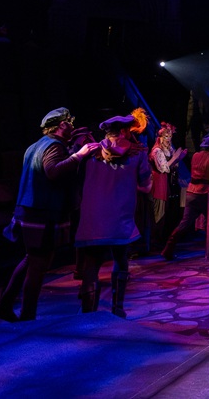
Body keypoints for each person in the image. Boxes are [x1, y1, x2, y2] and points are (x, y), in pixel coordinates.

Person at [0, 108, 101, 321]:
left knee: (31, 260)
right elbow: (52, 171)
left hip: (29, 211)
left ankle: (4, 306)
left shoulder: (35, 145)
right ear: (61, 125)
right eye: (69, 123)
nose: (71, 126)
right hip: (42, 215)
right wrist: (79, 155)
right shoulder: (54, 145)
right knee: (38, 266)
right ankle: (27, 315)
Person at [75, 113, 152, 317]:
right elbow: (146, 186)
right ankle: (117, 308)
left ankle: (88, 311)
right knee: (121, 261)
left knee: (91, 265)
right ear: (125, 131)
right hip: (120, 217)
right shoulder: (138, 153)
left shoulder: (89, 152)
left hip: (92, 218)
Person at [161, 132, 209, 260]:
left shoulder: (196, 155)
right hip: (203, 193)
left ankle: (168, 248)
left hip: (191, 192)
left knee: (184, 224)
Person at [149, 122, 186, 230]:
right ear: (160, 137)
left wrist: (178, 158)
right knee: (158, 213)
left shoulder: (167, 150)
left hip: (165, 183)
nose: (168, 139)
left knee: (164, 211)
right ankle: (154, 239)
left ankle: (159, 237)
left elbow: (170, 166)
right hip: (157, 184)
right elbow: (163, 168)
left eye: (170, 136)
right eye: (166, 136)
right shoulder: (157, 151)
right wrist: (175, 157)